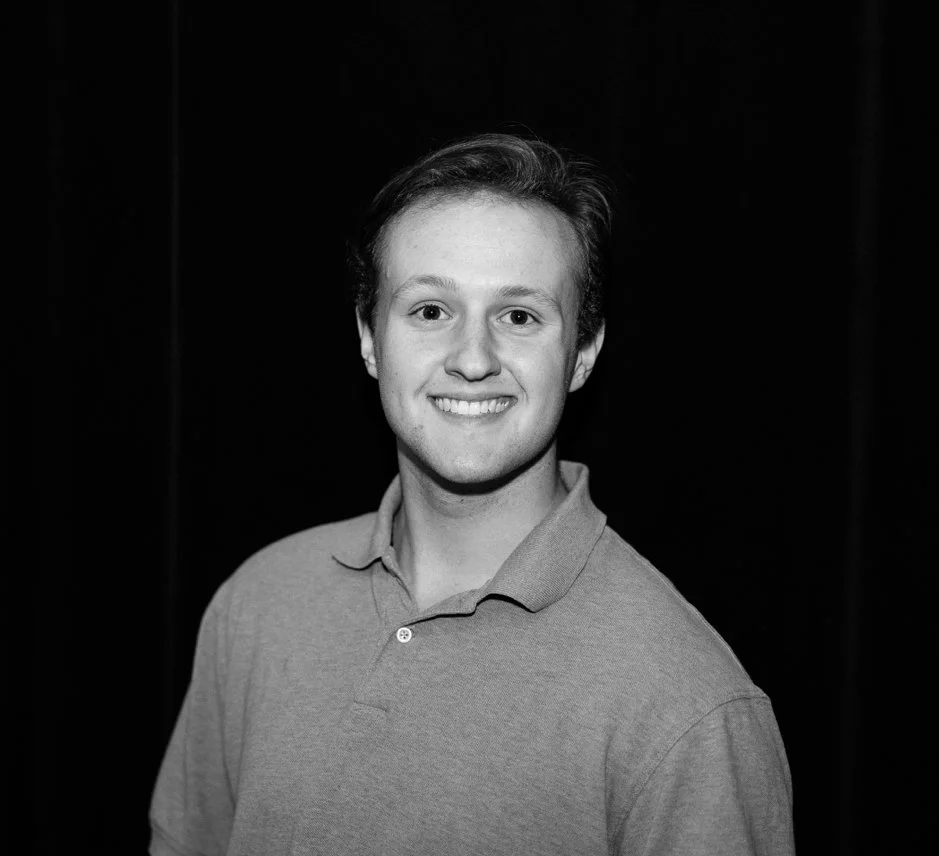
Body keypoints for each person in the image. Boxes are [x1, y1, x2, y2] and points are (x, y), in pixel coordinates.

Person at [150, 133, 794, 855]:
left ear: (582, 353)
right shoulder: (259, 601)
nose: (472, 359)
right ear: (368, 338)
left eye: (518, 316)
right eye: (429, 311)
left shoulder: (687, 705)